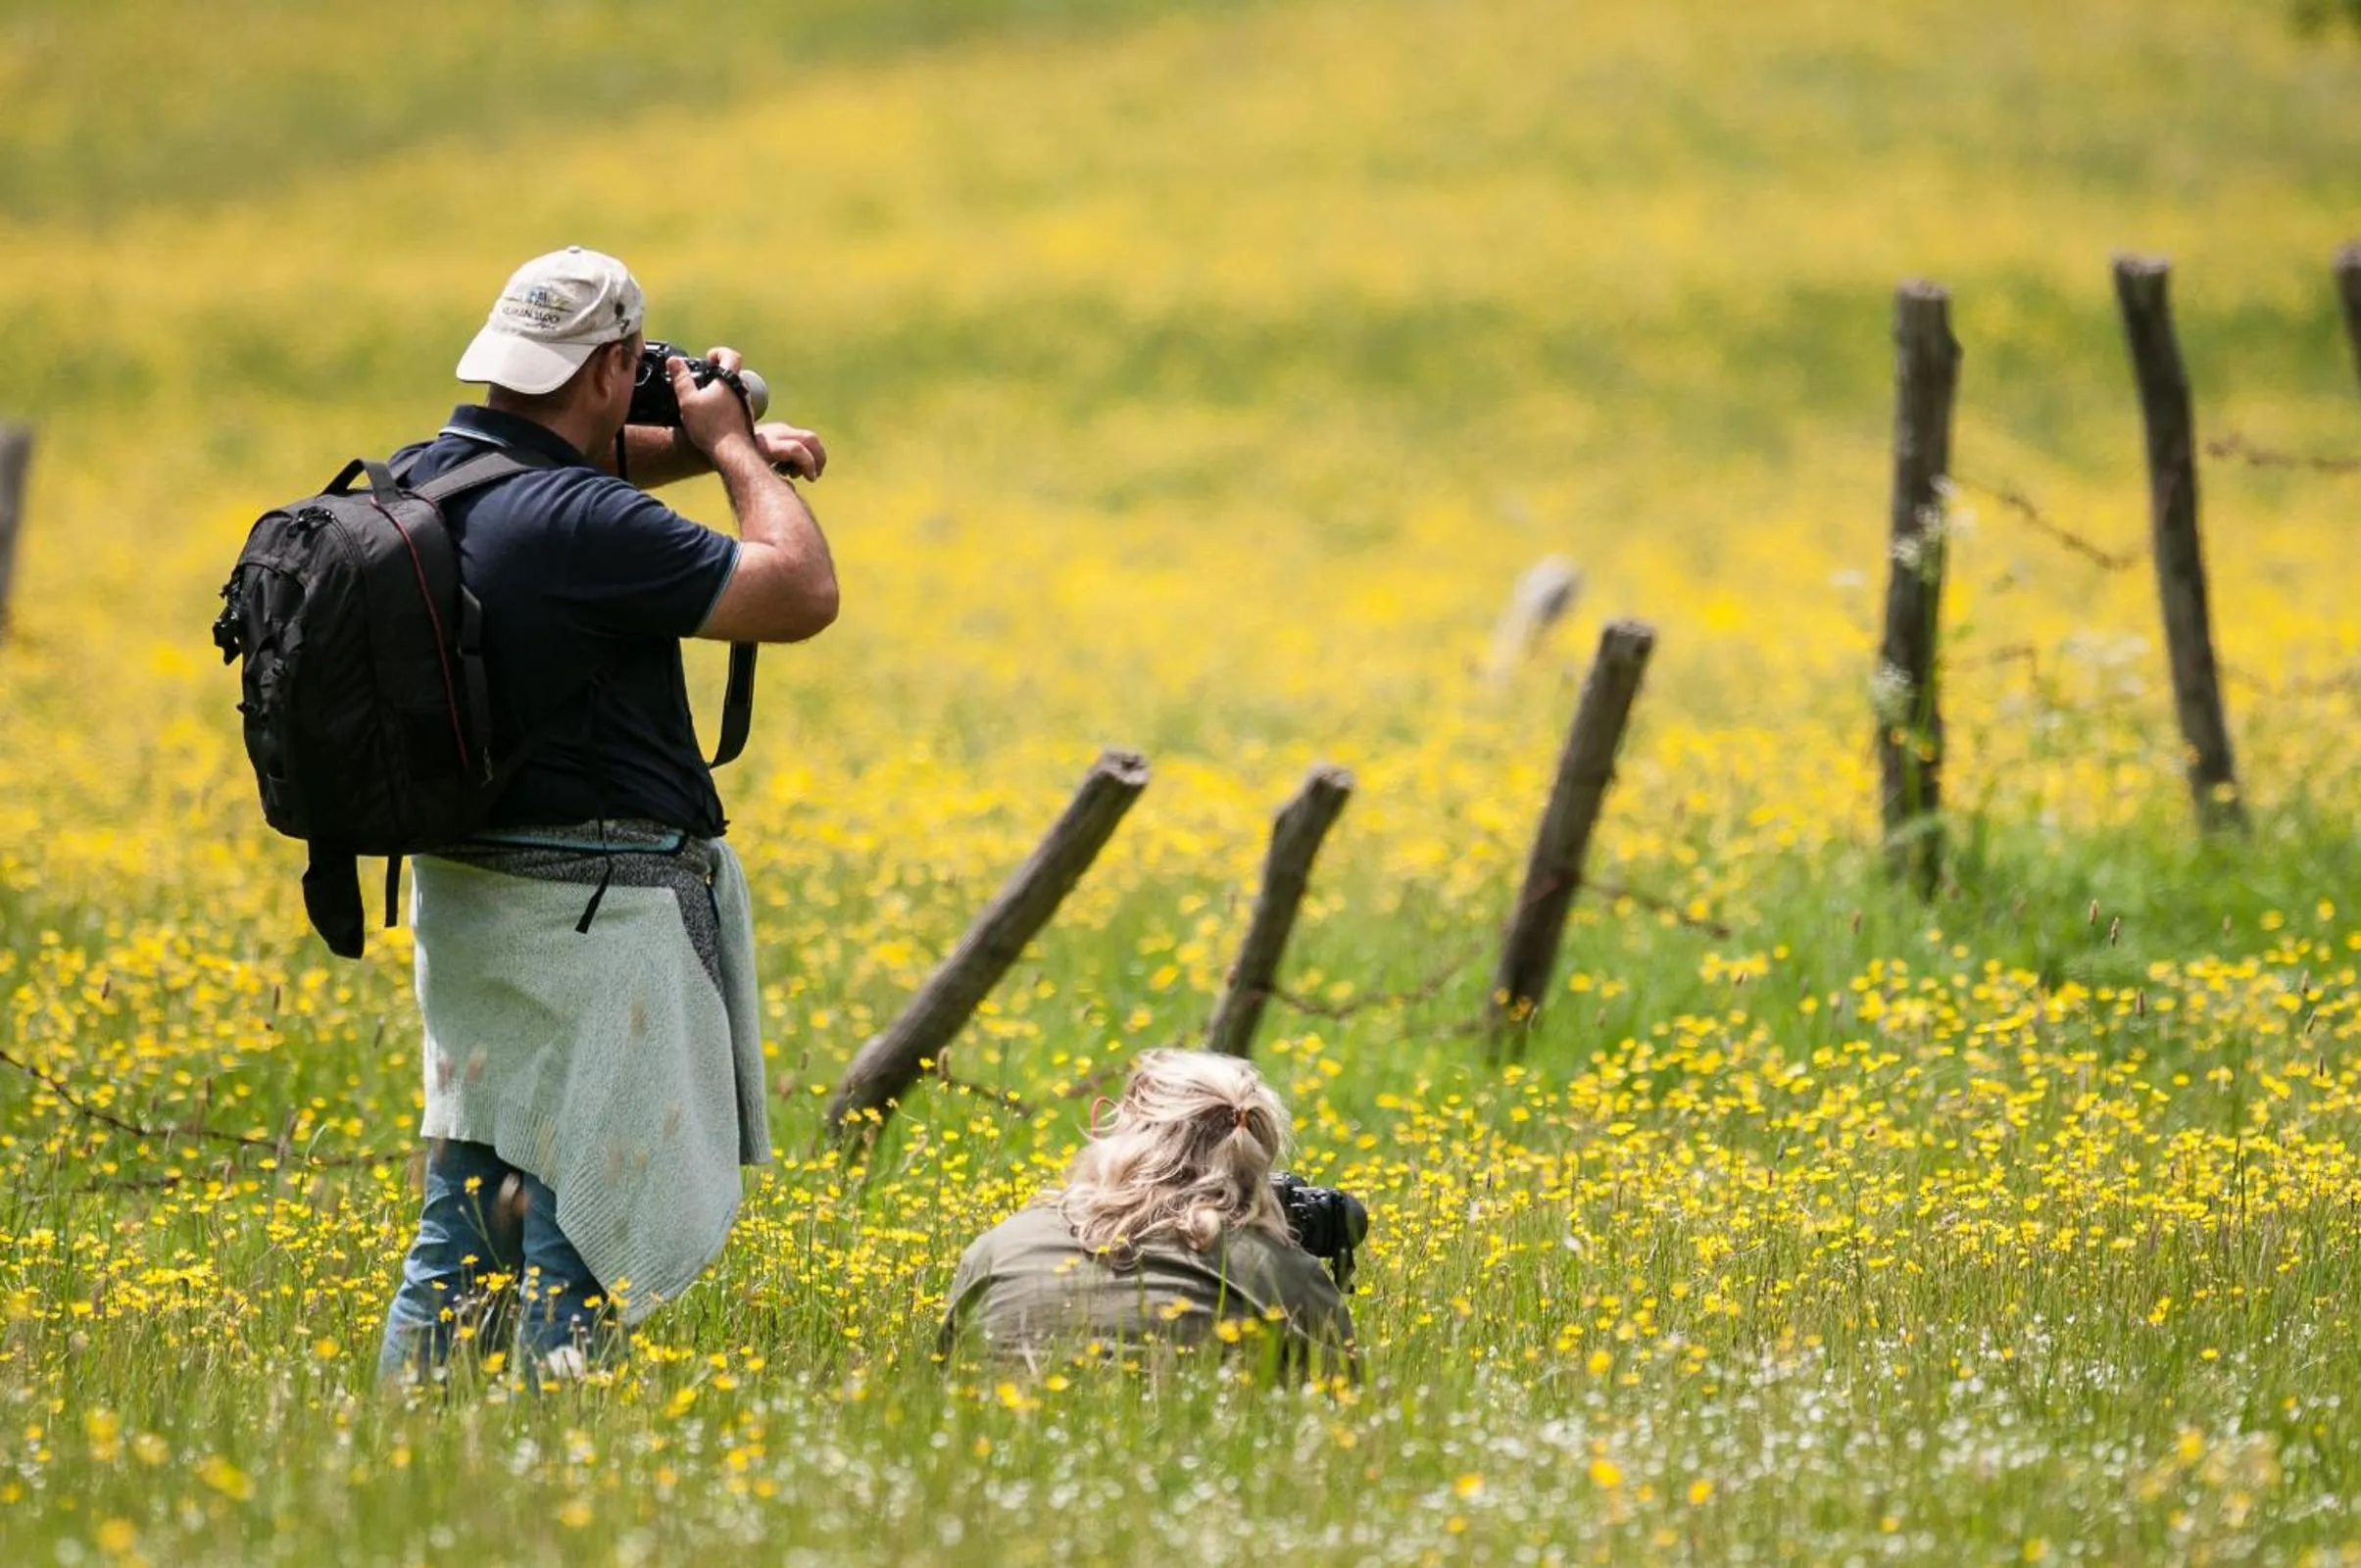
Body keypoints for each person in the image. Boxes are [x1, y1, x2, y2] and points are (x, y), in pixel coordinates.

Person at [375, 246, 839, 1384]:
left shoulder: (426, 480)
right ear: (615, 363)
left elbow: (567, 484)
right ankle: (551, 1477)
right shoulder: (582, 522)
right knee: (585, 1217)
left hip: (474, 907)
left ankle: (412, 1455)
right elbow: (799, 590)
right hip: (598, 917)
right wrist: (732, 448)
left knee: (468, 1222)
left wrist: (697, 445)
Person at [939, 1050, 1356, 1378]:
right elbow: (1346, 1416)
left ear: (1116, 1132)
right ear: (1255, 1157)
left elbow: (943, 1380)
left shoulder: (1000, 1246)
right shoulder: (1275, 1269)